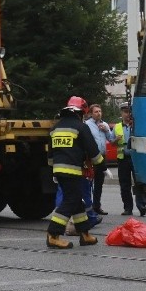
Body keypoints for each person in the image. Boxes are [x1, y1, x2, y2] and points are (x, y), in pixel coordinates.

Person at [46, 96, 103, 249]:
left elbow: (50, 155)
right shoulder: (81, 127)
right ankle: (53, 235)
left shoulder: (55, 129)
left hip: (58, 170)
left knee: (78, 202)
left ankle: (85, 235)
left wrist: (54, 169)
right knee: (71, 201)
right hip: (73, 171)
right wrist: (101, 165)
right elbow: (92, 150)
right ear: (80, 112)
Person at [113, 102, 146, 217]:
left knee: (139, 182)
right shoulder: (117, 127)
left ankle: (141, 205)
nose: (127, 114)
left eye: (129, 112)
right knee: (124, 185)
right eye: (125, 112)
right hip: (123, 159)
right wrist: (115, 141)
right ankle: (128, 208)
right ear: (121, 113)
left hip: (136, 158)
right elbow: (112, 143)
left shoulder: (137, 125)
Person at [84, 103, 115, 216]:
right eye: (96, 112)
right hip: (91, 157)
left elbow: (111, 139)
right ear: (91, 114)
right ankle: (88, 206)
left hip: (102, 157)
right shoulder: (87, 125)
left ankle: (97, 206)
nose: (99, 114)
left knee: (99, 183)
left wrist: (107, 130)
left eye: (100, 111)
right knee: (89, 182)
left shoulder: (104, 124)